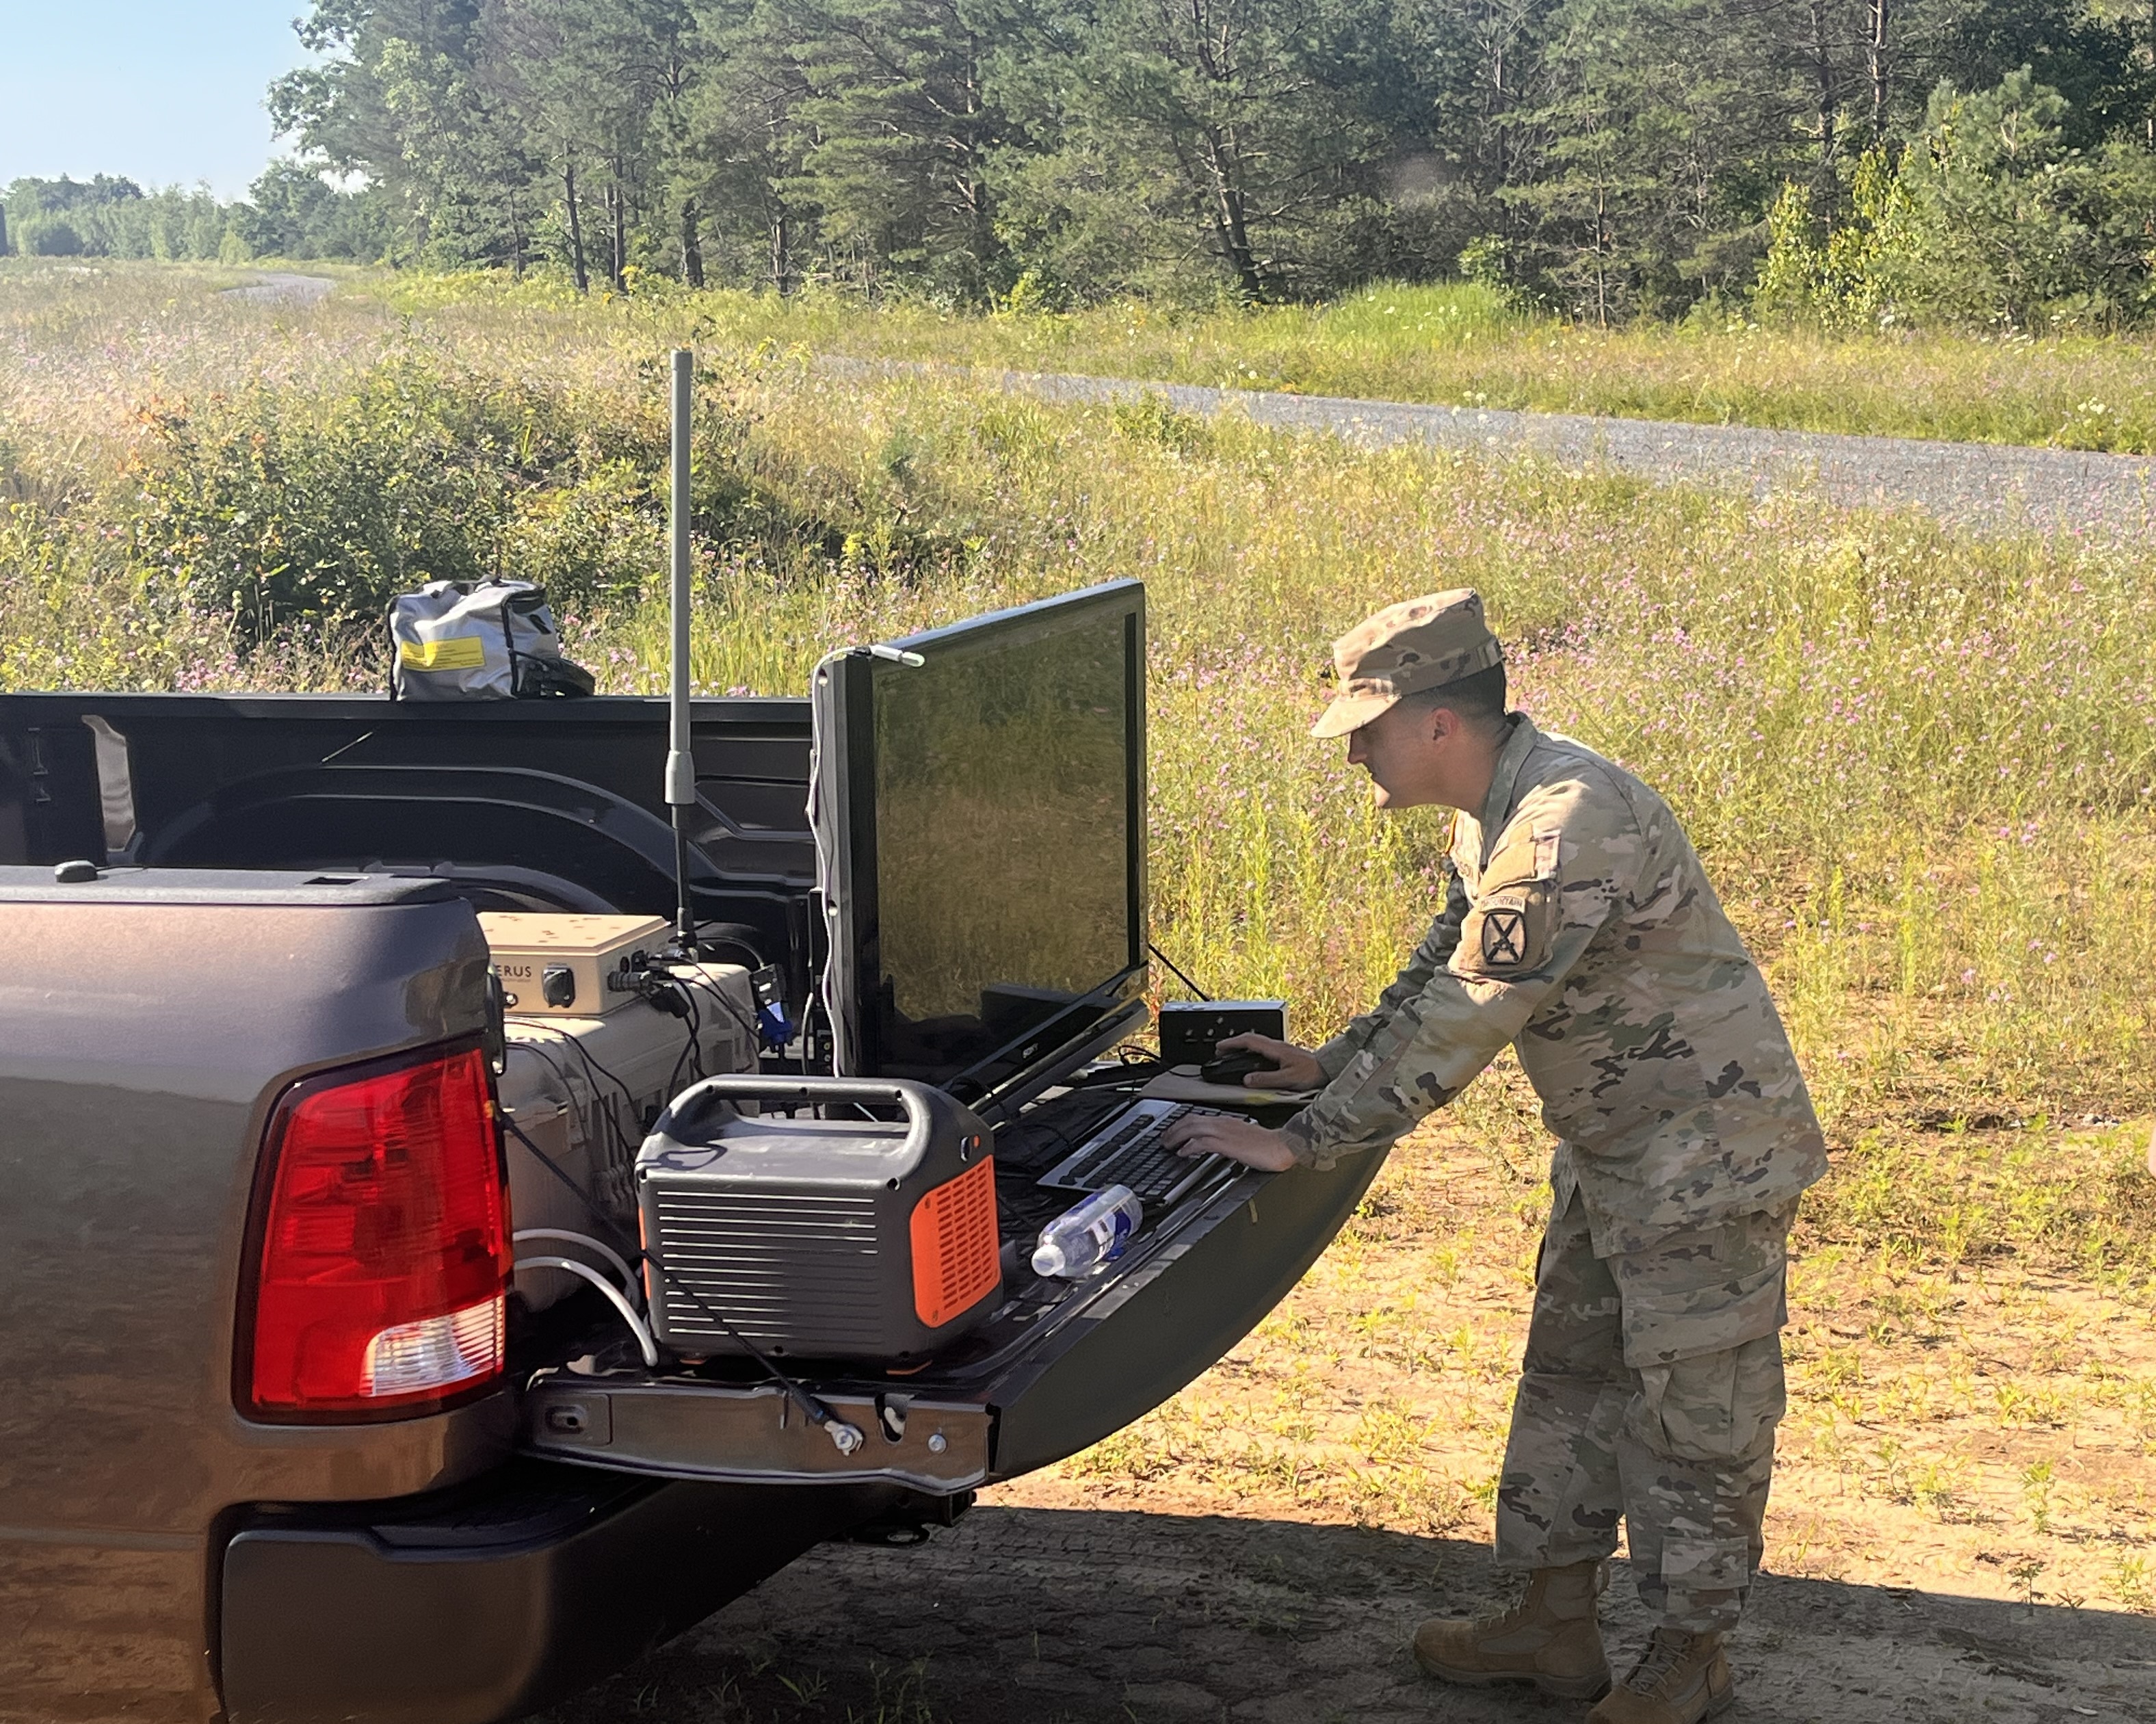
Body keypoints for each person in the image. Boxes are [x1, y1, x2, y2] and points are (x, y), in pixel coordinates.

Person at [1162, 589, 1826, 1724]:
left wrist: (1305, 1141)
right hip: (1617, 1151)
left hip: (1705, 1164)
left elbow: (1470, 1013)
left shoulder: (1566, 825)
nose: (1355, 755)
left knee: (1695, 1414)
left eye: (1367, 729)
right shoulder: (1496, 812)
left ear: (1437, 722)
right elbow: (1441, 965)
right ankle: (1552, 1628)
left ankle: (1689, 1659)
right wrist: (1328, 1064)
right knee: (1571, 1382)